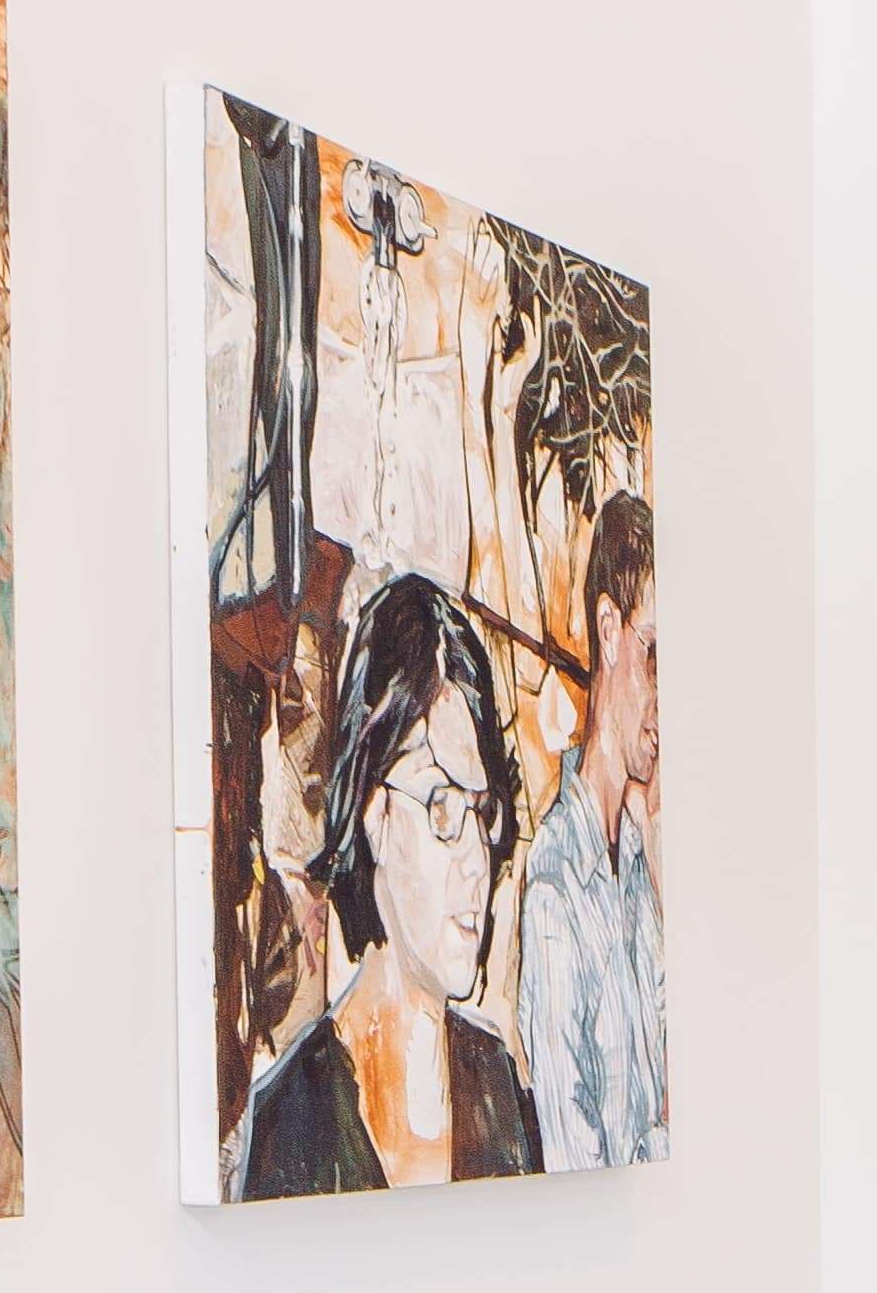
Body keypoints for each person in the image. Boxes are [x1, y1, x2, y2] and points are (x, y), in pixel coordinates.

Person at [232, 568, 542, 1195]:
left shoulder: (498, 1086)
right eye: (441, 808)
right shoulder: (293, 1121)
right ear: (373, 814)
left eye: (481, 814)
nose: (476, 859)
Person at [516, 490, 665, 1170]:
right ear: (609, 629)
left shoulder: (635, 866)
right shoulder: (553, 886)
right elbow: (576, 1169)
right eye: (658, 654)